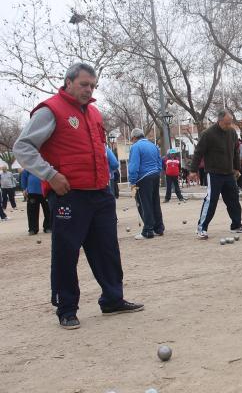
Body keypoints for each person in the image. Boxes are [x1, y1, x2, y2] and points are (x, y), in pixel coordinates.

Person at [13, 63, 143, 330]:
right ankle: (66, 308)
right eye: (84, 84)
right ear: (68, 82)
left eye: (93, 86)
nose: (89, 90)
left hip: (99, 193)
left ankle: (112, 299)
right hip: (69, 195)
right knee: (66, 252)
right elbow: (22, 147)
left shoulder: (94, 113)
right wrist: (50, 175)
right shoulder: (50, 110)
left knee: (107, 249)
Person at [189, 110, 242, 240]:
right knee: (211, 200)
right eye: (227, 123)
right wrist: (193, 170)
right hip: (214, 173)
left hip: (229, 173)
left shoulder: (232, 132)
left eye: (230, 123)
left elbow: (235, 151)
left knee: (234, 199)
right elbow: (198, 152)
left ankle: (236, 225)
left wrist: (236, 168)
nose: (229, 126)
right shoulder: (208, 134)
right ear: (220, 120)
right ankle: (202, 228)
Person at [128, 128, 164, 240]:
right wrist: (157, 171)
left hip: (143, 177)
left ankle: (148, 230)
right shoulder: (153, 145)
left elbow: (134, 165)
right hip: (155, 175)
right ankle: (159, 228)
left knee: (145, 203)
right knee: (155, 202)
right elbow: (159, 161)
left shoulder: (135, 147)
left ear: (134, 137)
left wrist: (133, 181)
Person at [21, 169, 51, 234]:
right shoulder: (29, 166)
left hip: (45, 191)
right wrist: (24, 189)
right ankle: (32, 229)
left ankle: (48, 227)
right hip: (32, 191)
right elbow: (24, 176)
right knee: (32, 211)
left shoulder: (45, 165)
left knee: (48, 210)